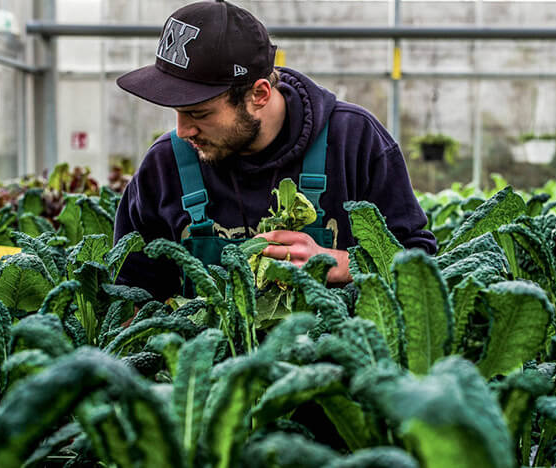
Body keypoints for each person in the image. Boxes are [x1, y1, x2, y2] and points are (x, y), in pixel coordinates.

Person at [114, 0, 436, 301]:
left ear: (260, 94)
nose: (183, 131)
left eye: (199, 113)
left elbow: (418, 263)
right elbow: (132, 298)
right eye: (177, 111)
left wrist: (339, 264)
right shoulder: (163, 165)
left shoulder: (355, 141)